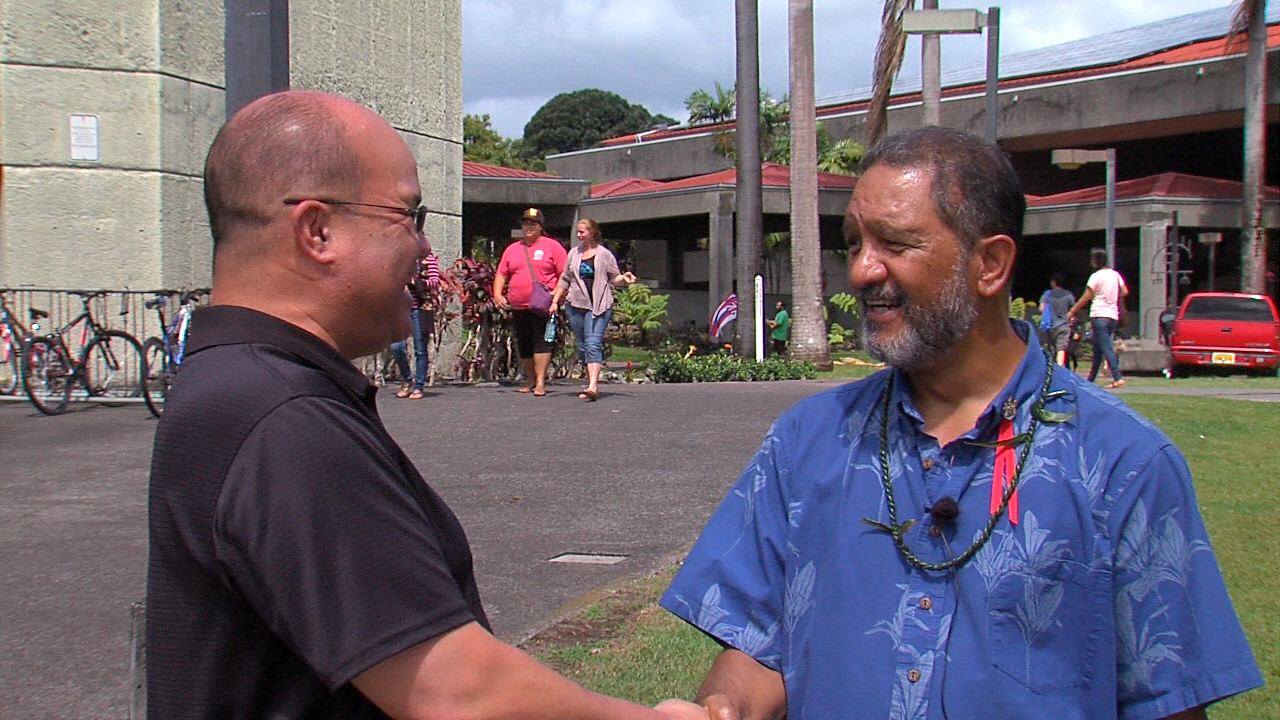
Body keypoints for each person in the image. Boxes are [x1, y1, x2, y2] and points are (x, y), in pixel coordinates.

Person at [660, 127, 1261, 720]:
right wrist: (725, 706)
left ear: (991, 263)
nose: (865, 270)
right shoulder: (807, 440)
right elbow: (760, 647)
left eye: (895, 243)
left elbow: (1166, 700)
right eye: (855, 244)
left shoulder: (1122, 464)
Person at [146, 90, 707, 720]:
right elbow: (458, 692)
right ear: (317, 230)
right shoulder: (283, 420)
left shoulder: (236, 386)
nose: (421, 247)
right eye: (408, 216)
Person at [549, 218, 637, 401]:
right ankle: (591, 380)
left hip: (599, 306)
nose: (579, 235)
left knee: (592, 344)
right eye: (578, 232)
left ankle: (592, 387)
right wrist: (555, 301)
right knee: (582, 347)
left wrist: (625, 278)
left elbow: (615, 278)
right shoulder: (573, 254)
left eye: (583, 232)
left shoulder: (604, 254)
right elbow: (565, 279)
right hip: (576, 305)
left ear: (593, 233)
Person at [493, 207, 567, 396]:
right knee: (524, 342)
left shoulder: (552, 246)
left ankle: (541, 381)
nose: (528, 227)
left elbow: (564, 275)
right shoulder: (513, 249)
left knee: (542, 341)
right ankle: (530, 378)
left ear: (540, 226)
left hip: (543, 305)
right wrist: (497, 293)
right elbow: (501, 273)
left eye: (532, 223)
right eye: (525, 223)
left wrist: (556, 298)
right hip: (519, 306)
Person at [1068, 248, 1129, 389]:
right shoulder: (1115, 275)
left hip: (1099, 314)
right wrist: (1112, 298)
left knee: (1106, 347)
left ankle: (1117, 377)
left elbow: (1086, 296)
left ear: (1095, 260)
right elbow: (1125, 291)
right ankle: (1091, 379)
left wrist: (1073, 310)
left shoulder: (1096, 276)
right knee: (1098, 348)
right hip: (1113, 315)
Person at [390, 251, 441, 399]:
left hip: (419, 309)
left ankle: (419, 386)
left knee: (420, 348)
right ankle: (407, 379)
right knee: (397, 347)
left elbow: (434, 281)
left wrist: (415, 282)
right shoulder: (399, 257)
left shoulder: (427, 259)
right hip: (400, 308)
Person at [1038, 273, 1075, 366]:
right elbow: (1073, 309)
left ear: (1054, 282)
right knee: (1061, 349)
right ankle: (1060, 367)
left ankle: (1052, 368)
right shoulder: (1068, 295)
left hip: (1050, 325)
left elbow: (1041, 308)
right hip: (1063, 325)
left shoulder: (1047, 294)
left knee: (1051, 349)